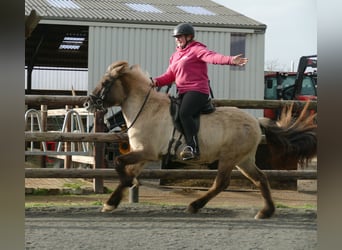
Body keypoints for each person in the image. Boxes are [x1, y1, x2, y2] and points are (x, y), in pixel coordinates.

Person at [152, 23, 248, 160]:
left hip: (197, 90)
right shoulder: (175, 56)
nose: (177, 39)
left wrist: (231, 60)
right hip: (183, 92)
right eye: (176, 37)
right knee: (173, 113)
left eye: (180, 36)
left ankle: (193, 147)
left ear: (189, 37)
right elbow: (169, 76)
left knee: (184, 113)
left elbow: (212, 57)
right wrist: (154, 82)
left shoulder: (197, 49)